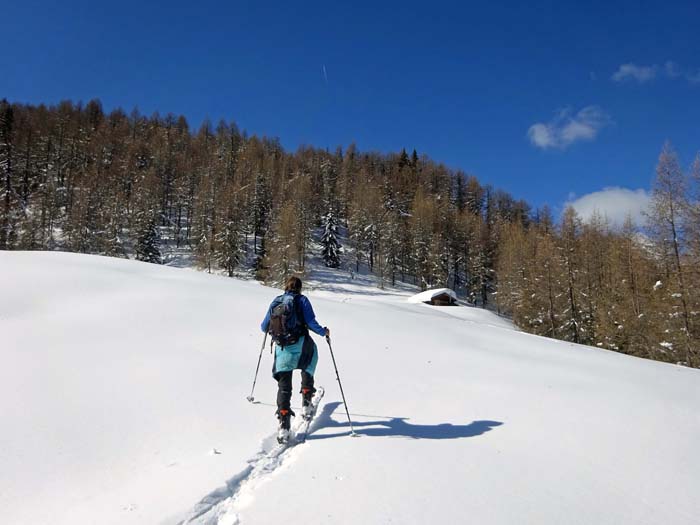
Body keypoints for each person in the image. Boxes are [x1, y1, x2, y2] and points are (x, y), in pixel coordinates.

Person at [260, 276, 329, 440]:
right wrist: (323, 332)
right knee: (310, 360)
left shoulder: (276, 301)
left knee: (284, 386)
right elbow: (311, 322)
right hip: (301, 343)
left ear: (286, 287)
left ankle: (284, 424)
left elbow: (264, 326)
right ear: (299, 288)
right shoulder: (302, 300)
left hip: (282, 348)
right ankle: (306, 401)